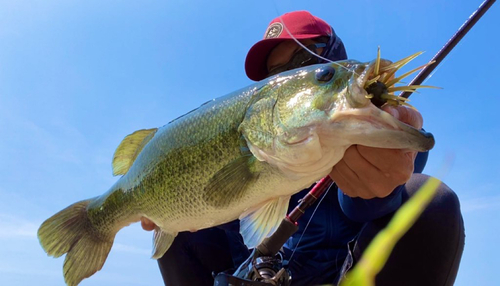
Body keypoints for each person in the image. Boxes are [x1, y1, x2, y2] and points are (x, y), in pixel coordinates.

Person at [142, 10, 465, 286]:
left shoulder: (380, 126)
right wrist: (173, 207)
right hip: (248, 270)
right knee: (177, 225)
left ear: (334, 56)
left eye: (307, 61)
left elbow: (365, 205)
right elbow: (229, 216)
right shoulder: (252, 140)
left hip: (340, 271)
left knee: (430, 200)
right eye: (278, 75)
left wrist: (374, 191)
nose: (291, 74)